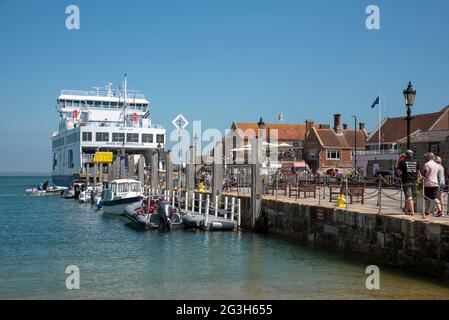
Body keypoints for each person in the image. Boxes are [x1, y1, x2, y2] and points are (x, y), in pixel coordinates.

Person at [396, 150, 421, 215]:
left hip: (406, 181)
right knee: (413, 197)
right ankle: (406, 209)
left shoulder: (402, 162)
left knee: (408, 196)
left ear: (406, 155)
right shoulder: (417, 162)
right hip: (414, 181)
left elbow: (398, 172)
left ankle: (412, 211)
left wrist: (401, 174)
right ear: (412, 155)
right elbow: (418, 172)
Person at [422, 152, 443, 217]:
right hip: (435, 183)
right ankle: (427, 211)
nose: (425, 157)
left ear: (430, 157)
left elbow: (425, 175)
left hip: (428, 184)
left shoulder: (427, 164)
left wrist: (422, 176)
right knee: (434, 198)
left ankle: (439, 211)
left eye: (426, 156)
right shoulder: (437, 165)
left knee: (428, 199)